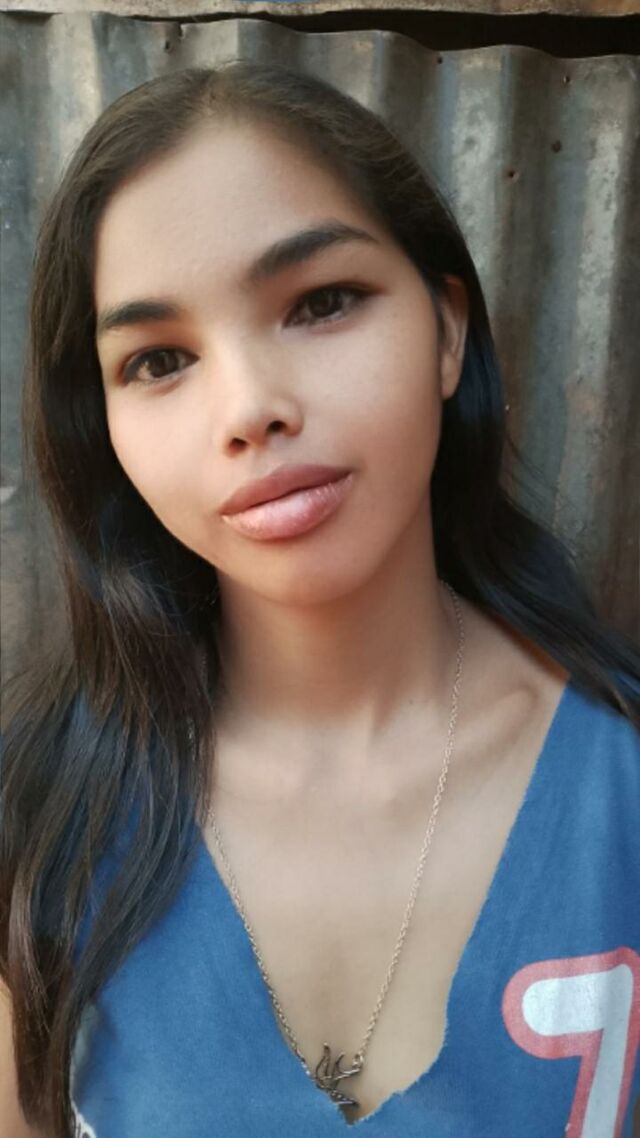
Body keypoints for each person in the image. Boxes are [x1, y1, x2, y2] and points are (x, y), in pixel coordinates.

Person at [0, 59, 638, 1138]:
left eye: (321, 302)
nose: (249, 407)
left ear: (445, 330)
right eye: (158, 360)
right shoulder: (42, 816)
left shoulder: (617, 786)